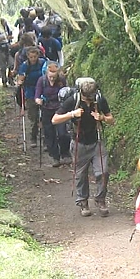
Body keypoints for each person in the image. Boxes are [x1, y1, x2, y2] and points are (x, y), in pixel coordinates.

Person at [53, 78, 113, 217]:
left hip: (97, 142)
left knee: (103, 172)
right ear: (81, 93)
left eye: (91, 98)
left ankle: (100, 200)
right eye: (86, 98)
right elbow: (55, 119)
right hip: (79, 143)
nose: (89, 101)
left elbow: (111, 119)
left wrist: (102, 118)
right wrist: (72, 114)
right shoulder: (73, 100)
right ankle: (83, 202)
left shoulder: (99, 99)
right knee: (81, 175)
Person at [34, 62, 71, 167]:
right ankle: (55, 157)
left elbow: (66, 93)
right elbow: (37, 95)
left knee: (63, 133)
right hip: (46, 109)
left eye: (54, 77)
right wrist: (38, 100)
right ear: (46, 73)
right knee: (49, 134)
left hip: (60, 109)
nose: (52, 79)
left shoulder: (61, 80)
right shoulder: (42, 80)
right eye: (50, 77)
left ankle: (65, 153)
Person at [15, 47, 47, 149]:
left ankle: (46, 140)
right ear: (28, 57)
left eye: (35, 56)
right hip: (30, 92)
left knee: (45, 117)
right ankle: (33, 137)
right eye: (31, 57)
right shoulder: (25, 66)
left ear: (38, 56)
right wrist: (20, 81)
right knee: (34, 117)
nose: (33, 59)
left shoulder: (43, 63)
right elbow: (20, 78)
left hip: (42, 91)